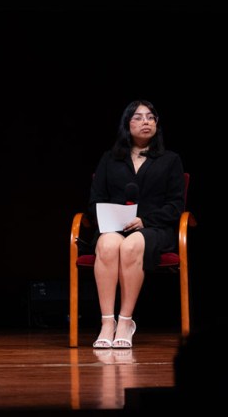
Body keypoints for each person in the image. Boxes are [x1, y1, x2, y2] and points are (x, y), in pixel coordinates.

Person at [85, 100, 184, 349]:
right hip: (114, 227)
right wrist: (110, 218)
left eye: (150, 117)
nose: (145, 122)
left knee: (131, 246)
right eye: (138, 118)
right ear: (127, 124)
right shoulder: (110, 159)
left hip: (154, 229)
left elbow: (176, 205)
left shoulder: (170, 160)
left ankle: (126, 321)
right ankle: (107, 322)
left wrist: (146, 220)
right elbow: (95, 200)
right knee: (107, 245)